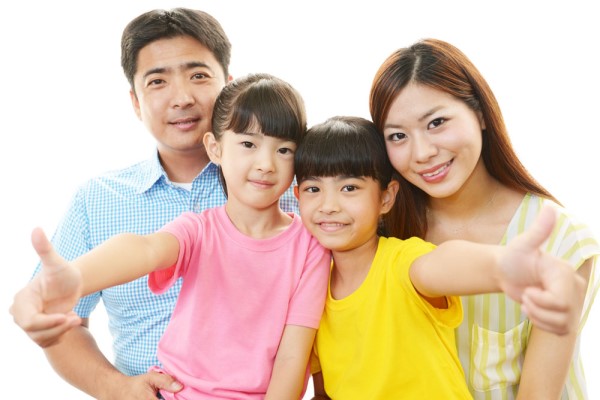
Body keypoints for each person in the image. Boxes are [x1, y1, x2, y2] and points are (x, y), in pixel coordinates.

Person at [9, 8, 298, 399]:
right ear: (135, 101)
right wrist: (117, 388)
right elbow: (65, 318)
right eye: (158, 81)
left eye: (198, 76)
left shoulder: (292, 193)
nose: (182, 98)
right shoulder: (97, 199)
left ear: (229, 86)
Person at [369, 38, 600, 399]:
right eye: (398, 136)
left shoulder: (561, 239)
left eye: (437, 122)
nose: (422, 153)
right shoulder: (383, 234)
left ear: (479, 113)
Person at [294, 116, 583, 399]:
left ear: (386, 197)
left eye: (349, 188)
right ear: (297, 196)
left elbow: (444, 263)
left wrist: (502, 266)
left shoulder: (402, 262)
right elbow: (324, 392)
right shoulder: (311, 292)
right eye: (313, 189)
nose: (328, 205)